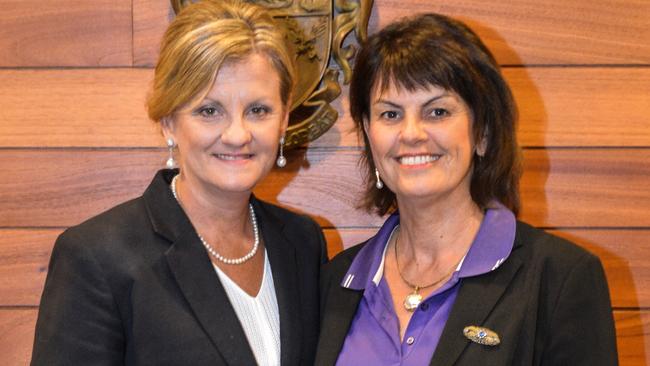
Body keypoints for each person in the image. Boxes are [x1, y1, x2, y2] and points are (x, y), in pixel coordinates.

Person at [31, 1, 327, 365]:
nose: (237, 134)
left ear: (283, 122)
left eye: (258, 110)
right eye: (209, 111)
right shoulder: (97, 257)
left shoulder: (302, 242)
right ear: (169, 122)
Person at [315, 13, 617, 366]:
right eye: (391, 115)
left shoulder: (559, 278)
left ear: (483, 132)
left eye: (438, 111)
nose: (411, 133)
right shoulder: (337, 281)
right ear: (368, 132)